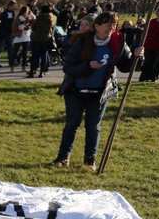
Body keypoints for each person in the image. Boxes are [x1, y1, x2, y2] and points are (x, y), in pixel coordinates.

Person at [52, 11, 143, 170]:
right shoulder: (83, 41)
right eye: (108, 24)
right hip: (75, 91)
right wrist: (88, 66)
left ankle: (89, 161)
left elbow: (125, 67)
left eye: (114, 24)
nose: (112, 28)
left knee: (93, 126)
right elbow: (68, 67)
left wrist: (138, 57)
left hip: (100, 93)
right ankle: (63, 158)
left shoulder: (118, 42)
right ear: (97, 26)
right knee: (71, 125)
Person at [28, 4, 57, 78]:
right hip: (47, 38)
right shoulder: (53, 18)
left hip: (36, 38)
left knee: (35, 56)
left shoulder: (39, 17)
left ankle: (32, 71)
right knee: (44, 55)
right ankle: (42, 71)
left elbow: (33, 28)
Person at [138, 5, 159, 82]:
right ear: (157, 12)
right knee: (147, 61)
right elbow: (145, 31)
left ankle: (153, 77)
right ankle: (143, 77)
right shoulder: (151, 21)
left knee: (156, 62)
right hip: (149, 44)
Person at [11, 6, 34, 72]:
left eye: (28, 10)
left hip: (26, 36)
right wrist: (22, 26)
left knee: (25, 53)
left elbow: (34, 19)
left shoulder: (29, 18)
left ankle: (23, 67)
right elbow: (13, 28)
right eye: (27, 10)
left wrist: (31, 15)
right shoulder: (17, 18)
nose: (27, 11)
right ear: (23, 11)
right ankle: (12, 67)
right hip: (19, 36)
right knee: (15, 52)